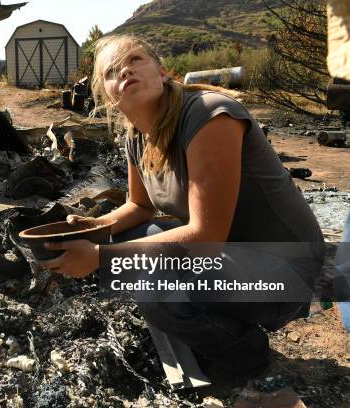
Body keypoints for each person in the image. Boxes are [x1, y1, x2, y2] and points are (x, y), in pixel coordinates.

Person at [40, 35, 325, 381]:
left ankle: (245, 353)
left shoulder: (208, 115)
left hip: (284, 269)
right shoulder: (136, 136)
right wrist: (94, 226)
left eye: (135, 60)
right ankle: (207, 323)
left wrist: (99, 256)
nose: (126, 71)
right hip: (233, 257)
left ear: (162, 72)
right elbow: (138, 207)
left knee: (151, 283)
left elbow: (206, 236)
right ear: (109, 97)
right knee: (130, 241)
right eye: (113, 71)